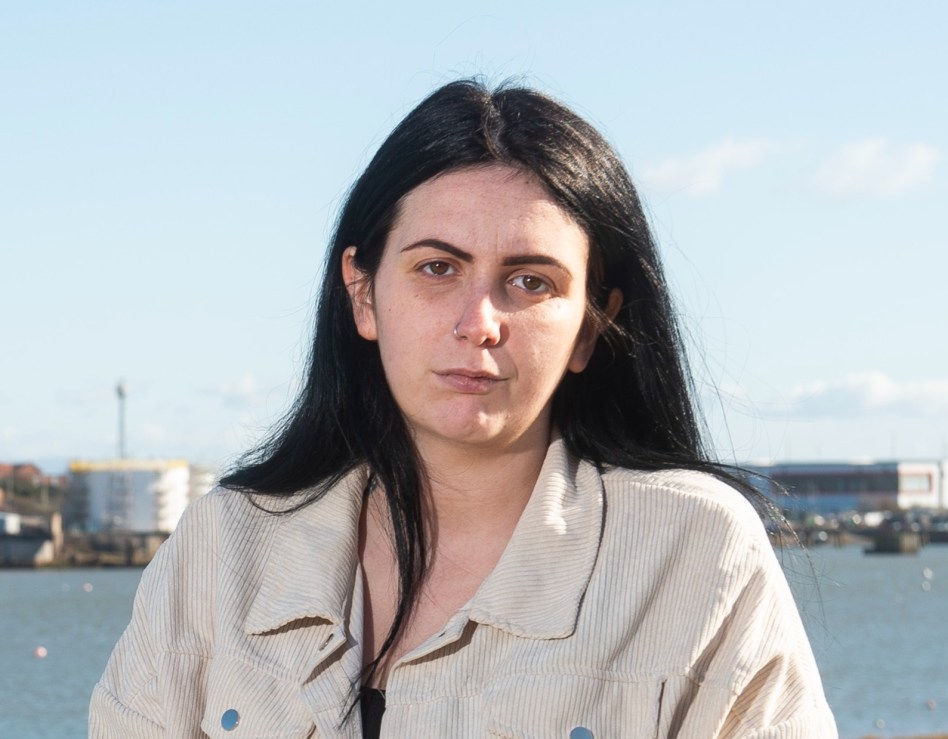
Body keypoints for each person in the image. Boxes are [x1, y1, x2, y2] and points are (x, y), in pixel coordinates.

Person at [90, 79, 837, 738]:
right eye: (438, 267)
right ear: (363, 293)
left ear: (592, 325)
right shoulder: (224, 549)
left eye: (531, 281)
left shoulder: (694, 553)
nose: (478, 320)